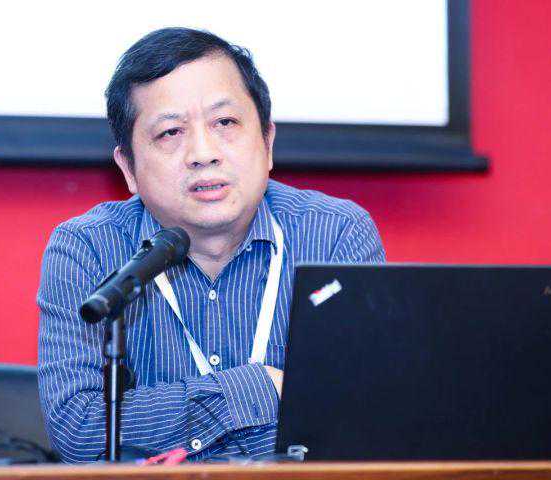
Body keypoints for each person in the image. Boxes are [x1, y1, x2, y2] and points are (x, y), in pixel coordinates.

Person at [37, 27, 385, 463]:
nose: (203, 153)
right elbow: (81, 433)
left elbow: (363, 416)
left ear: (268, 142)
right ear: (128, 168)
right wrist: (259, 387)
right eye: (170, 132)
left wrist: (169, 424)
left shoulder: (335, 235)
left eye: (225, 123)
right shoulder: (89, 250)